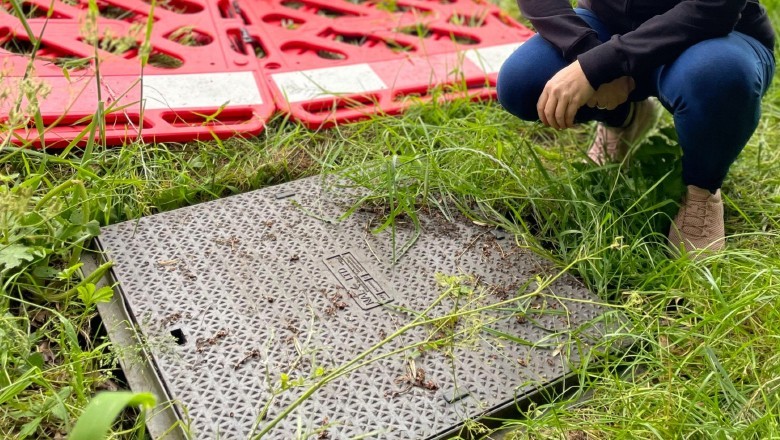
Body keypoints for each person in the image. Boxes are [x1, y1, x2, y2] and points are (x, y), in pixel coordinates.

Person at [496, 0, 775, 258]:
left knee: (720, 75)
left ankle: (703, 189)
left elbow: (716, 7)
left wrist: (601, 64)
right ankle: (623, 118)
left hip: (714, 35)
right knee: (523, 82)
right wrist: (586, 52)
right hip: (609, 23)